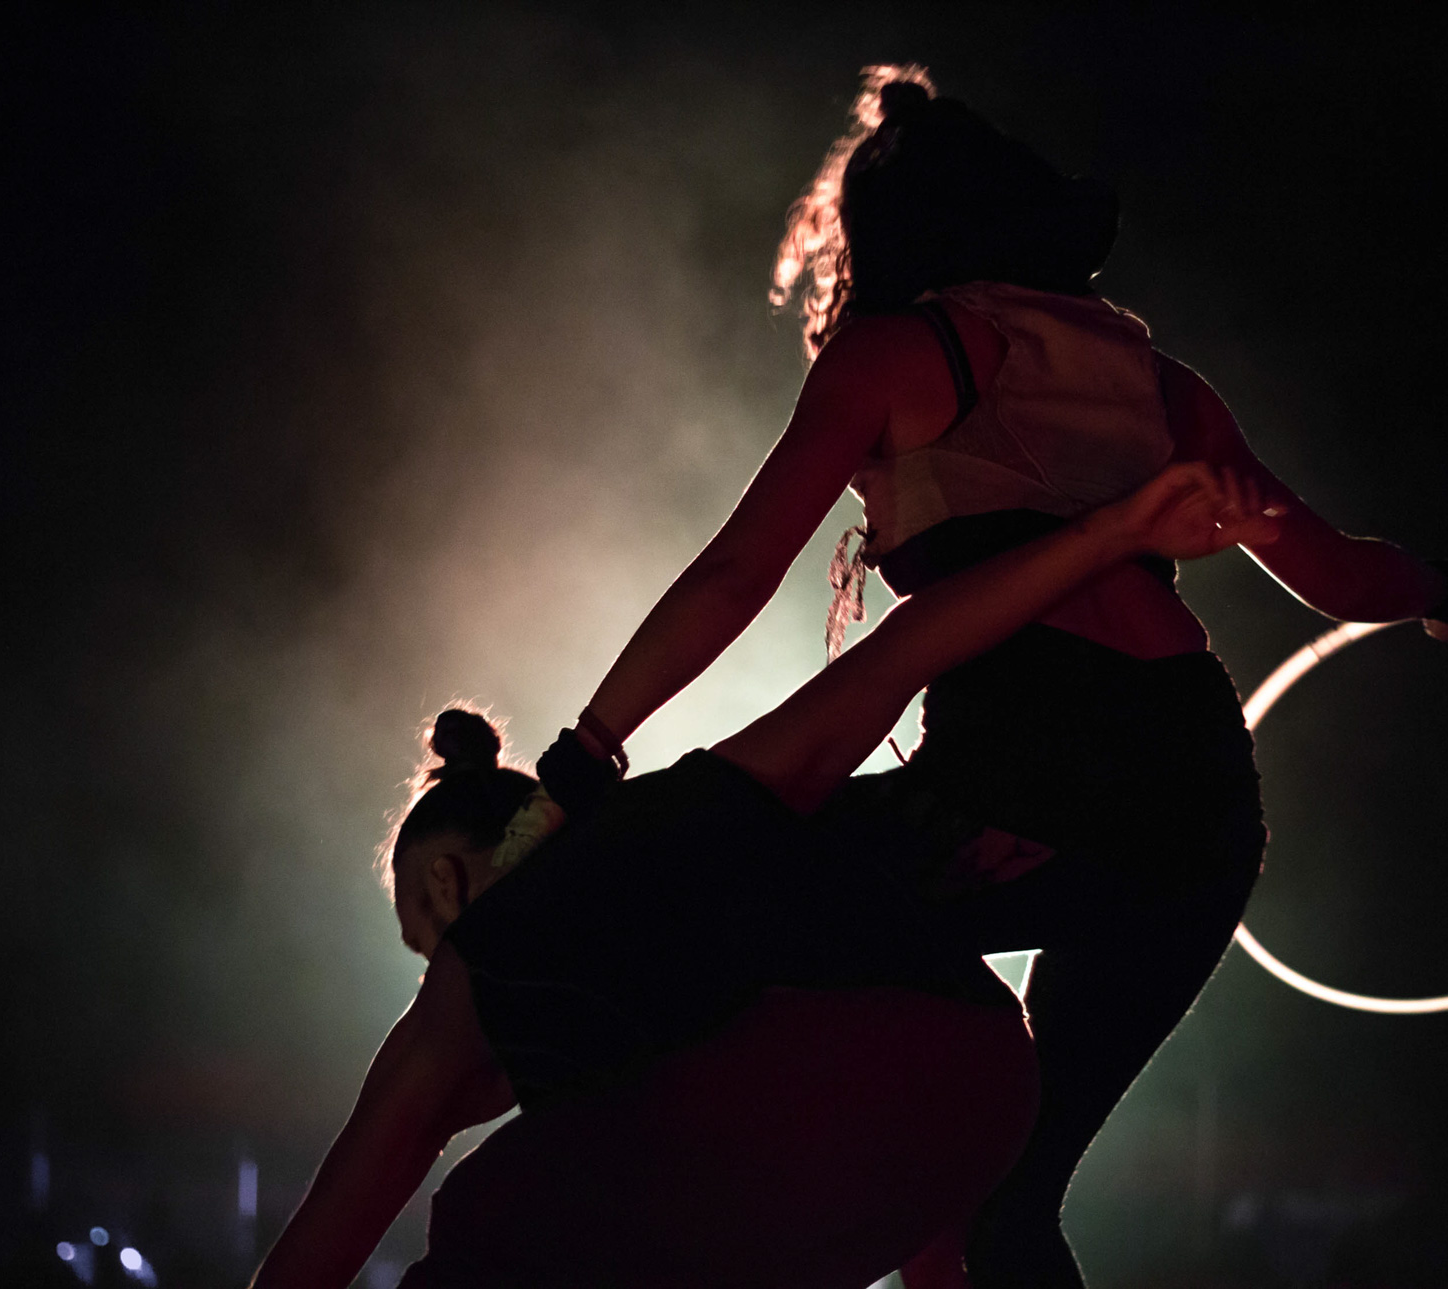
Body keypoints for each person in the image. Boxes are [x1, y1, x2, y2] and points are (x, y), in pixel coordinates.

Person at [543, 67, 1448, 1289]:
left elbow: (736, 573)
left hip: (1024, 776)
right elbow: (1335, 572)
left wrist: (590, 744)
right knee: (1003, 1206)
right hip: (1195, 806)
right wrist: (1446, 586)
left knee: (705, 896)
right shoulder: (1158, 382)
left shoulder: (895, 352)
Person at [248, 464, 1279, 1289]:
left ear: (443, 883)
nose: (425, 961)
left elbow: (317, 1249)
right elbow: (892, 661)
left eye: (418, 928)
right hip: (980, 1070)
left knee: (482, 1216)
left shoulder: (478, 971)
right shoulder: (680, 825)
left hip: (837, 1092)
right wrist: (1111, 534)